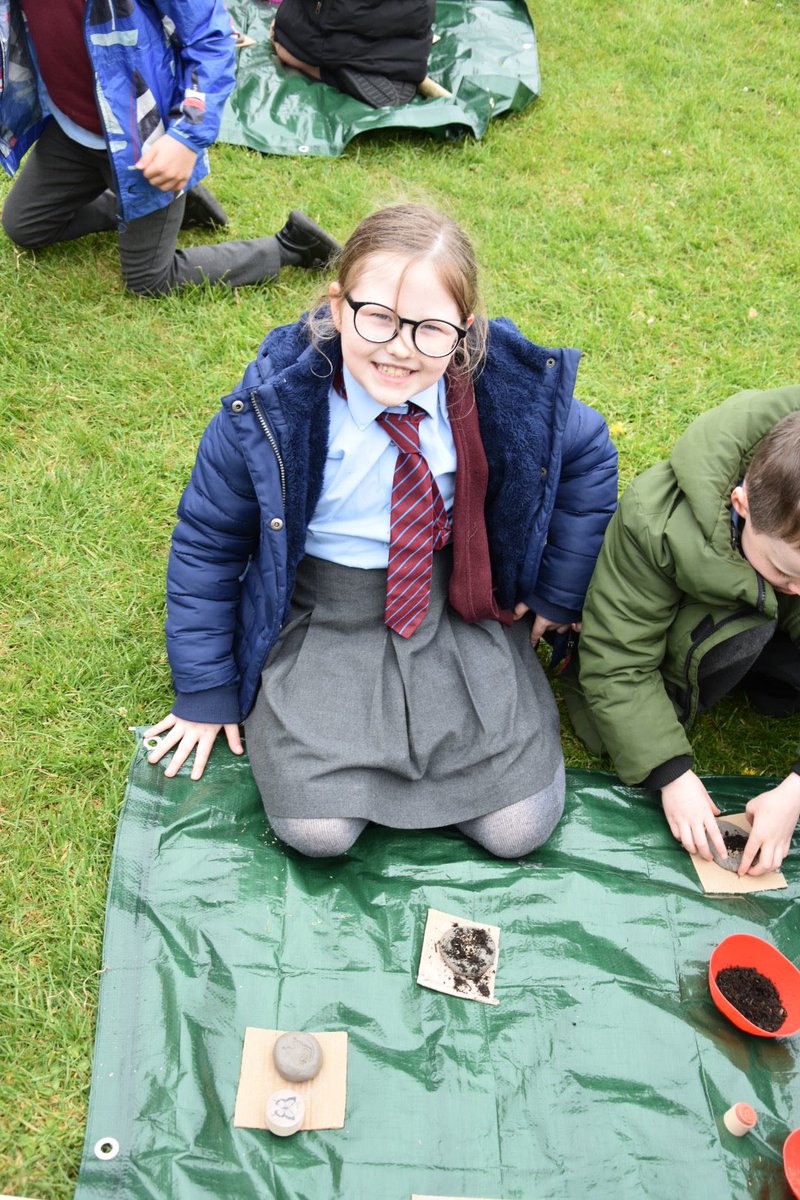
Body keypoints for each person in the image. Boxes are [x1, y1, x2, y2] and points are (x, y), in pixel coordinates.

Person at [144, 204, 618, 859]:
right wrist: (204, 691)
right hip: (322, 612)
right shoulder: (272, 412)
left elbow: (589, 455)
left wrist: (558, 596)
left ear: (464, 332)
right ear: (337, 307)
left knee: (520, 829)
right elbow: (207, 545)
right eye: (379, 318)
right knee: (317, 833)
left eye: (429, 329)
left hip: (452, 605)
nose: (399, 347)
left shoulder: (496, 395)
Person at [577, 388, 800, 876]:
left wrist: (797, 790)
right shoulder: (654, 525)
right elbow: (617, 660)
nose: (797, 588)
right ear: (741, 504)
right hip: (694, 639)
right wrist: (671, 773)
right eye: (787, 573)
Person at [0, 1, 339, 295]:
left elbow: (211, 40)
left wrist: (186, 138)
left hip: (145, 141)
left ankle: (289, 247)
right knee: (25, 226)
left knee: (149, 279)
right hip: (74, 132)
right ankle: (180, 206)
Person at [270, 0, 434, 108]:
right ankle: (396, 64)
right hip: (411, 41)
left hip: (337, 35)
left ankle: (319, 69)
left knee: (289, 34)